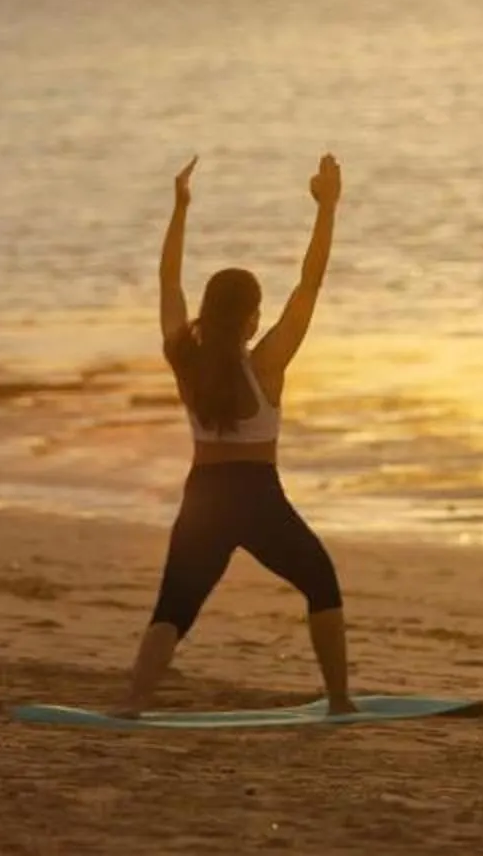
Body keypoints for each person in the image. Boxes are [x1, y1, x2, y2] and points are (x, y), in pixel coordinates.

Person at [122, 151, 352, 715]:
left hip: (203, 496)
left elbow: (167, 282)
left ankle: (130, 704)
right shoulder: (267, 362)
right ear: (252, 316)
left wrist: (179, 210)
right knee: (321, 584)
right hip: (258, 497)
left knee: (174, 606)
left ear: (208, 310)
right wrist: (327, 208)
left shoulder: (186, 358)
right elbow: (311, 283)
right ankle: (341, 701)